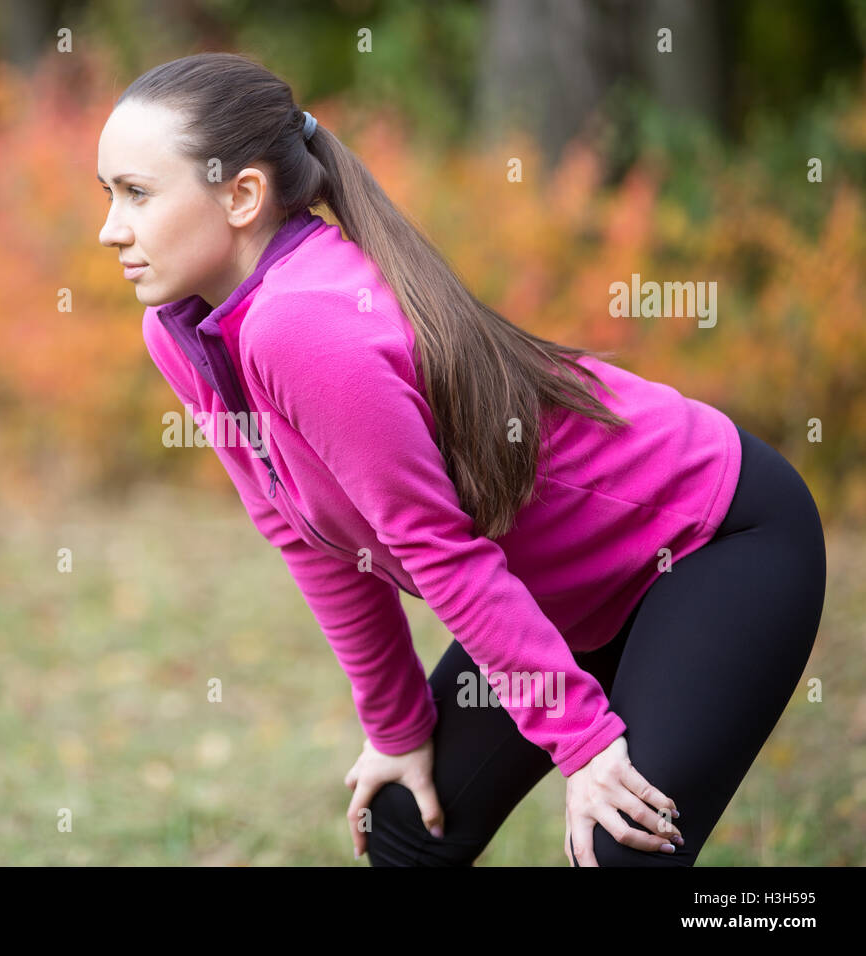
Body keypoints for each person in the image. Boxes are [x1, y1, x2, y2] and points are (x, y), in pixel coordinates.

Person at [97, 52, 827, 866]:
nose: (111, 228)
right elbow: (305, 537)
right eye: (109, 195)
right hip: (561, 588)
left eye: (137, 193)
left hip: (712, 539)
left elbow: (438, 552)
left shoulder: (300, 325)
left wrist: (582, 745)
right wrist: (397, 729)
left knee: (620, 850)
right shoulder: (182, 331)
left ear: (241, 196)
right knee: (405, 824)